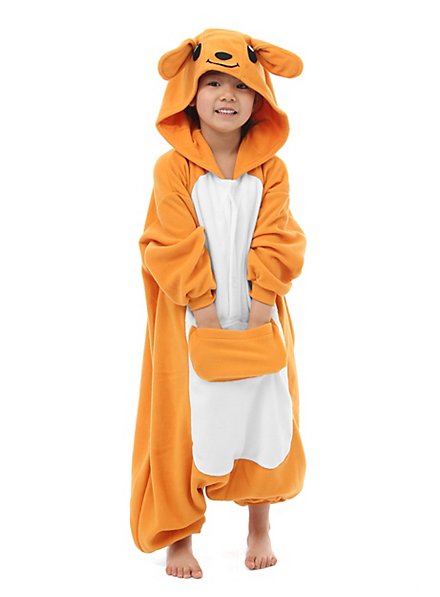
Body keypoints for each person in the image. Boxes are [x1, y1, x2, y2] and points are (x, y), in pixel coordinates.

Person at [130, 28, 307, 579]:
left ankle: (259, 525)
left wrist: (260, 306)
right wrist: (204, 312)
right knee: (184, 422)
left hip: (258, 311)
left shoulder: (271, 171)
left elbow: (277, 236)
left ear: (259, 99)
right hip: (190, 318)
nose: (227, 94)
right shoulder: (173, 169)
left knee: (265, 415)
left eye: (240, 85)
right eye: (212, 82)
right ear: (189, 92)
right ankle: (179, 535)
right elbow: (170, 239)